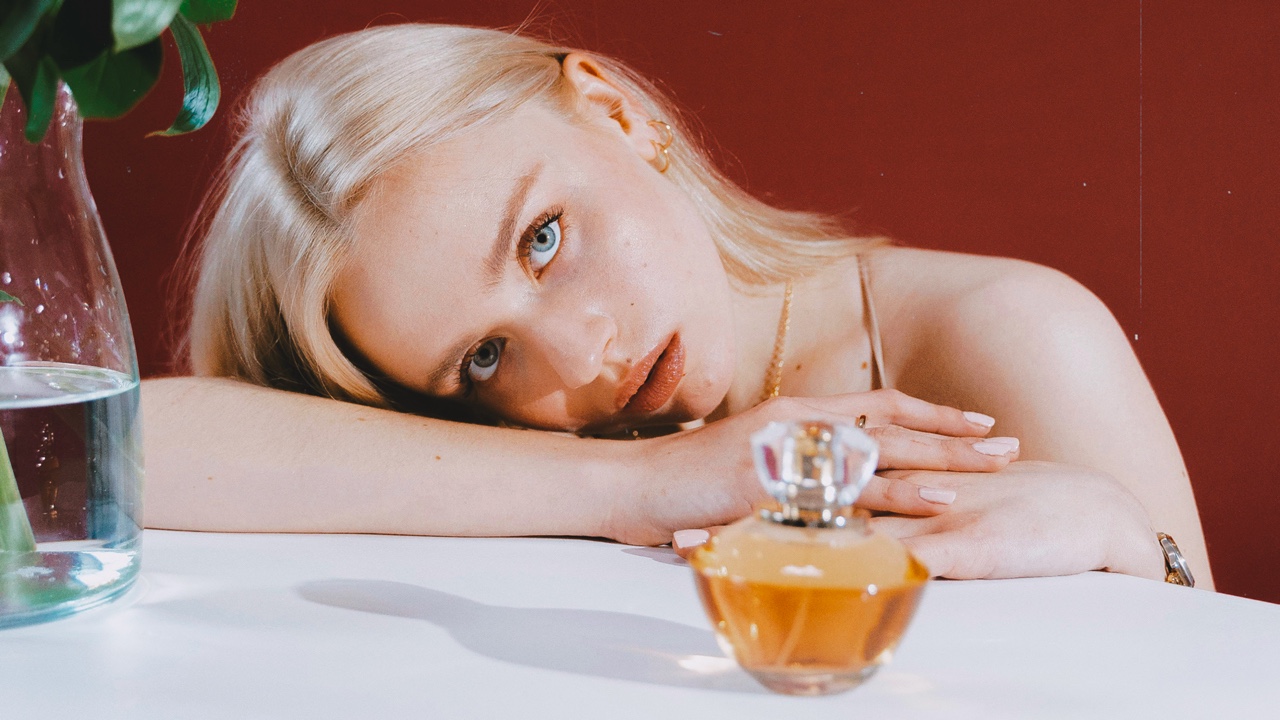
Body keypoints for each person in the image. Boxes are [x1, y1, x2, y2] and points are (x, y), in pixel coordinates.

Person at [142, 23, 1212, 587]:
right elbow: (132, 444)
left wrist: (1124, 540)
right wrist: (642, 481)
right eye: (482, 357)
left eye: (543, 238)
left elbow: (1212, 680)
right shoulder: (505, 459)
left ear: (615, 110)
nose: (574, 358)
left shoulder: (998, 333)